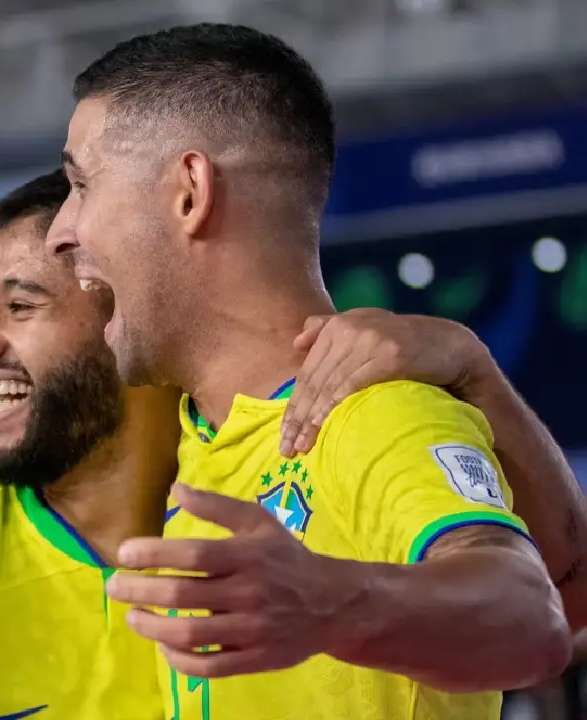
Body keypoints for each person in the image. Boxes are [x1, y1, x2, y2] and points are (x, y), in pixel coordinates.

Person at [0, 171, 567, 720]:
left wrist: (473, 371)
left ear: (125, 315)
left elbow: (549, 604)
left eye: (21, 304)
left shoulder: (305, 458)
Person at [47, 22, 569, 718]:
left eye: (80, 184)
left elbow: (531, 617)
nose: (61, 230)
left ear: (189, 192)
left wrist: (332, 603)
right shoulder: (201, 433)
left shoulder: (370, 408)